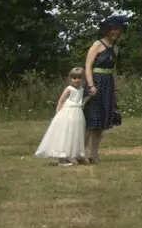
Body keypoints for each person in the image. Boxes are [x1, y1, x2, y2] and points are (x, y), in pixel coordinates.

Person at [83, 15, 127, 163]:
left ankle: (94, 154)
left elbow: (113, 70)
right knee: (91, 119)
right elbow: (88, 66)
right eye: (113, 29)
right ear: (107, 29)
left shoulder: (115, 48)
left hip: (108, 84)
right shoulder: (97, 44)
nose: (115, 32)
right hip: (95, 82)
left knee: (101, 122)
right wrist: (90, 85)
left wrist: (115, 90)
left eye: (118, 29)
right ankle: (82, 152)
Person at [34, 67, 89, 165]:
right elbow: (61, 100)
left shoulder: (81, 89)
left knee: (73, 135)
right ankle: (62, 158)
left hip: (77, 114)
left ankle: (68, 156)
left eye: (79, 78)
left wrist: (89, 97)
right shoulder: (69, 89)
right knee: (65, 134)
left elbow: (81, 102)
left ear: (83, 79)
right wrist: (57, 113)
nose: (77, 80)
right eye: (74, 78)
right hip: (67, 114)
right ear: (70, 79)